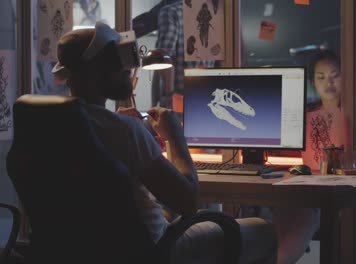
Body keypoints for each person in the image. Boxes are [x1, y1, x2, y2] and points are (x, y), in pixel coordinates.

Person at [54, 22, 277, 264]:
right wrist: (175, 137)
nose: (128, 70)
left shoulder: (51, 125)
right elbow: (189, 202)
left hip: (82, 251)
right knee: (264, 231)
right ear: (97, 70)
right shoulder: (124, 130)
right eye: (117, 64)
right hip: (154, 249)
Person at [153, 0, 215, 108]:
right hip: (207, 98)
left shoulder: (171, 12)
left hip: (179, 99)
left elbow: (164, 56)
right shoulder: (216, 14)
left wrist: (169, 94)